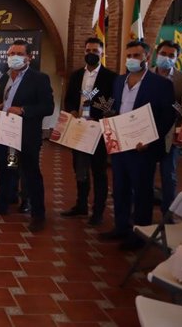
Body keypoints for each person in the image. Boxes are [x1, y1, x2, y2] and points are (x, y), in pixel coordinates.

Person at [100, 40, 175, 249]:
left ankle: (140, 234)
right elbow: (116, 109)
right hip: (120, 145)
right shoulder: (119, 81)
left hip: (144, 148)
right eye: (129, 55)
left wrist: (151, 139)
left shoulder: (161, 84)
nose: (132, 59)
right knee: (120, 188)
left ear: (147, 58)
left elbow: (167, 117)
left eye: (137, 56)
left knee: (142, 191)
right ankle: (121, 226)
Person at [0, 39, 54, 233]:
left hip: (27, 136)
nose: (13, 57)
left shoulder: (39, 79)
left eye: (18, 54)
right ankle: (2, 202)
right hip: (7, 135)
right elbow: (2, 99)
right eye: (11, 54)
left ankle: (38, 214)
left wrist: (23, 110)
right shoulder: (5, 78)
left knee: (30, 173)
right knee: (7, 167)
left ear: (29, 57)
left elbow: (48, 107)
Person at [60, 38, 117, 226]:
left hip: (98, 129)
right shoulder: (76, 76)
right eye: (88, 50)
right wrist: (72, 111)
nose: (91, 53)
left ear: (102, 53)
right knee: (80, 169)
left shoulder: (110, 77)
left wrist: (99, 117)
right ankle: (81, 204)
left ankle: (98, 211)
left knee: (98, 171)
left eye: (95, 50)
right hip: (79, 128)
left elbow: (113, 104)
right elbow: (68, 99)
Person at [151, 40, 182, 216]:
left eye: (171, 56)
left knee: (169, 177)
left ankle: (167, 216)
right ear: (156, 54)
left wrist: (180, 131)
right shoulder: (145, 75)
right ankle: (140, 212)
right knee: (144, 175)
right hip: (146, 133)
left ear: (177, 58)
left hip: (170, 136)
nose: (166, 58)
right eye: (163, 54)